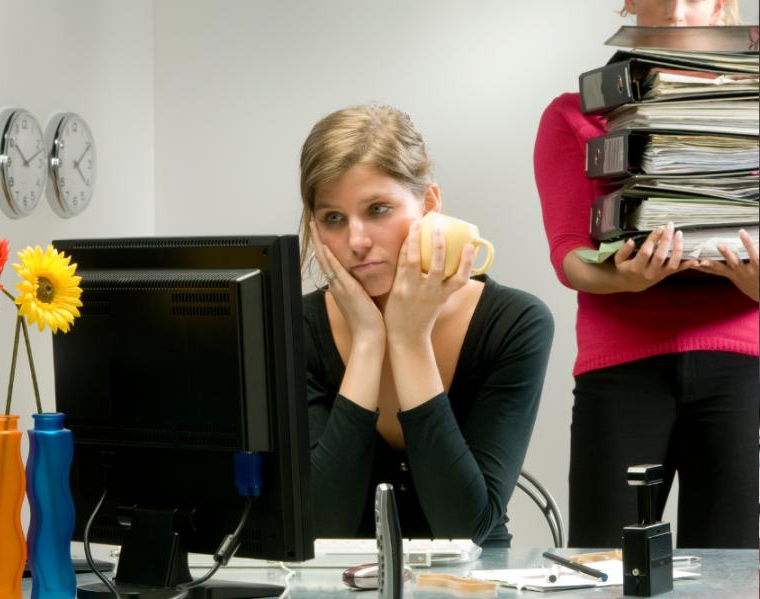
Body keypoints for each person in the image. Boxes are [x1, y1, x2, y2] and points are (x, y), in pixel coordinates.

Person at [534, 0, 758, 549]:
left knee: (731, 572)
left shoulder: (751, 113)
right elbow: (568, 252)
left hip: (740, 365)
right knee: (608, 566)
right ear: (631, 3)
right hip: (621, 368)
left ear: (723, 6)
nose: (678, 14)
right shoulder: (572, 115)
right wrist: (625, 280)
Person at [299, 104, 554, 547]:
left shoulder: (516, 323)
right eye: (333, 219)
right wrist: (367, 343)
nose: (357, 241)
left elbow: (466, 529)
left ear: (429, 204)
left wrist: (408, 338)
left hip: (472, 587)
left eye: (378, 209)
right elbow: (321, 526)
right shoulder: (297, 327)